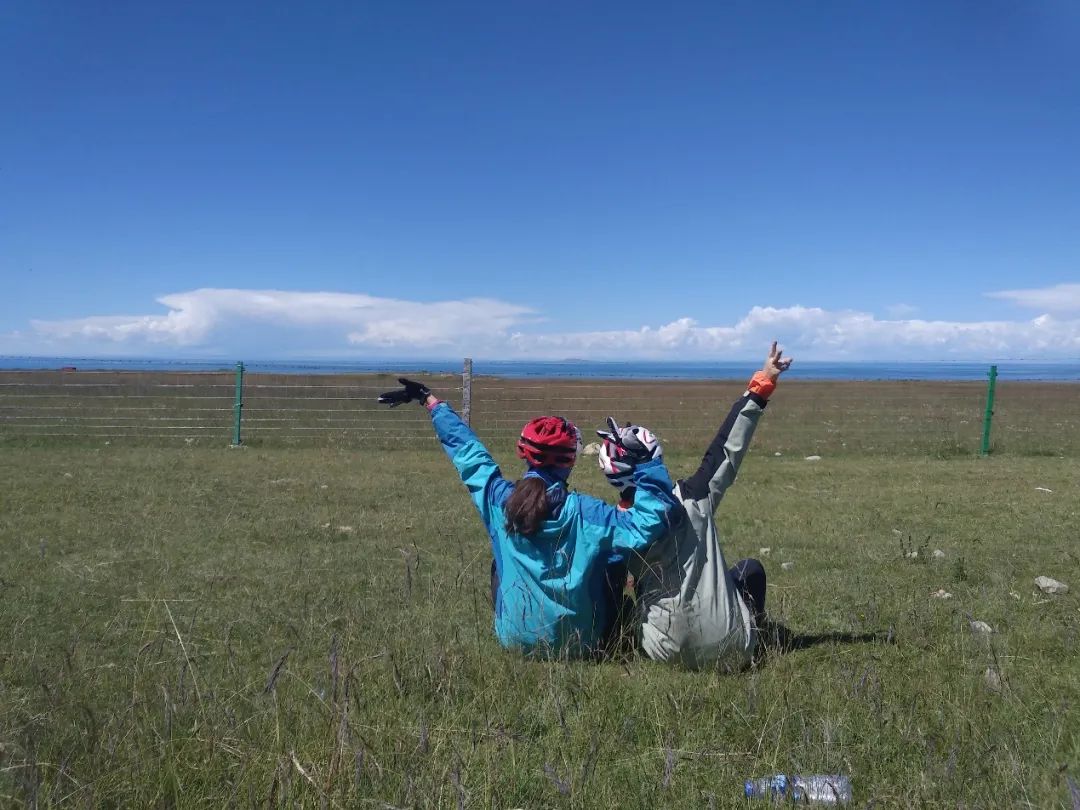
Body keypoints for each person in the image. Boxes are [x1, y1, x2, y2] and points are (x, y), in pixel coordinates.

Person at [377, 377, 678, 659]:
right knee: (612, 561)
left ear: (524, 452)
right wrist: (647, 465)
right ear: (570, 460)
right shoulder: (588, 514)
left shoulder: (498, 501)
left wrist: (430, 401)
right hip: (580, 644)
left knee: (500, 563)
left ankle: (522, 625)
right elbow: (646, 525)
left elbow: (469, 454)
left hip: (514, 640)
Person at [596, 342, 793, 670]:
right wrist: (763, 384)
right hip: (734, 648)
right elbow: (727, 448)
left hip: (661, 654)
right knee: (751, 570)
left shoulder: (613, 526)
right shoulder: (695, 498)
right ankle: (753, 633)